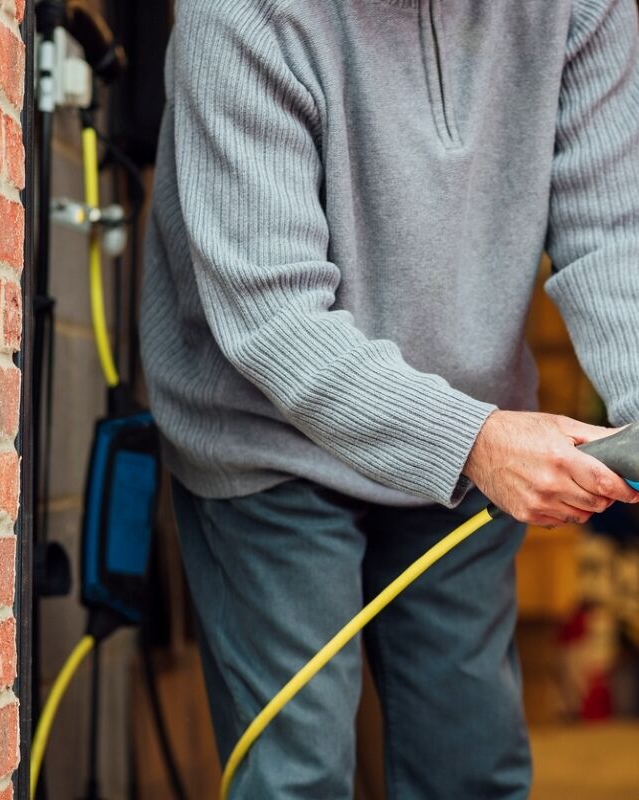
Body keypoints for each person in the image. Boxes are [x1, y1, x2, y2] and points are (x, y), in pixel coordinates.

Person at [140, 0, 639, 796]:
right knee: (297, 773)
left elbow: (614, 229)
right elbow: (272, 319)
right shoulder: (241, 15)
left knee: (469, 767)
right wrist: (475, 440)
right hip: (266, 435)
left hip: (473, 428)